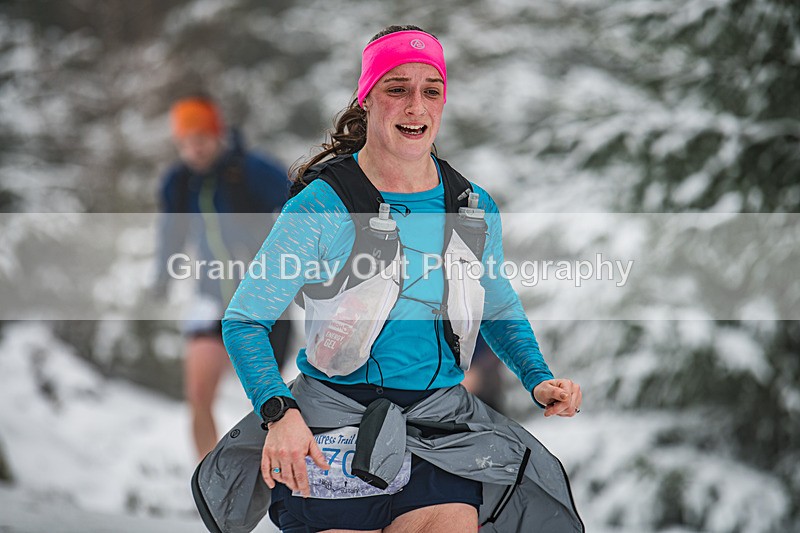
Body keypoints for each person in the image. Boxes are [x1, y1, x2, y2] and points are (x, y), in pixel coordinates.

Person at [219, 26, 583, 532]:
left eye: (431, 90)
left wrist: (538, 377)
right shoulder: (321, 207)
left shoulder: (470, 207)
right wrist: (279, 413)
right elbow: (244, 322)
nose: (416, 104)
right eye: (397, 88)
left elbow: (496, 305)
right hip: (332, 432)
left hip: (439, 432)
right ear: (367, 99)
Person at [154, 94, 292, 460]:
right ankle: (209, 477)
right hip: (211, 298)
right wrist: (161, 278)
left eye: (200, 140)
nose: (194, 150)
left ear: (217, 135)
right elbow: (170, 231)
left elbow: (297, 209)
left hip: (264, 301)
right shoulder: (180, 182)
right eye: (185, 143)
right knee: (198, 394)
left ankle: (263, 479)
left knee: (268, 404)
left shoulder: (252, 169)